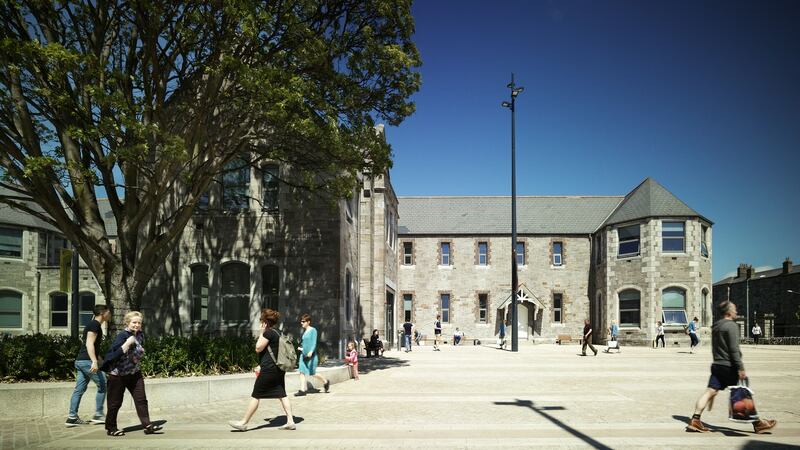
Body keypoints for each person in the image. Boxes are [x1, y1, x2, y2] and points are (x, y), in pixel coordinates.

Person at [687, 301, 777, 434]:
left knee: (710, 391)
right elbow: (734, 349)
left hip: (717, 365)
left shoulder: (716, 326)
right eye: (734, 309)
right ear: (728, 312)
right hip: (729, 366)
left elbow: (715, 347)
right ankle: (758, 424)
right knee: (743, 394)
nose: (736, 312)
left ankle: (695, 419)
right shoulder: (731, 326)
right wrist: (740, 367)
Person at [229, 309, 295, 431]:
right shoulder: (278, 332)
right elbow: (271, 352)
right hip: (278, 369)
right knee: (282, 394)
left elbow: (258, 348)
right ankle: (290, 421)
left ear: (265, 322)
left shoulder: (268, 333)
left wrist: (261, 332)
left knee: (256, 395)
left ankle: (243, 422)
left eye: (261, 321)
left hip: (269, 371)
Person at [101, 311, 162, 437]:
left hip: (134, 373)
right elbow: (113, 354)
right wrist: (127, 343)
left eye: (139, 323)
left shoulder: (140, 335)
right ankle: (111, 427)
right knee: (115, 403)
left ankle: (147, 425)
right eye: (134, 322)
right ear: (127, 323)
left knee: (141, 400)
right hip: (118, 375)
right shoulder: (122, 336)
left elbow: (136, 353)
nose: (137, 325)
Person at [66, 304, 111, 427]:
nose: (110, 314)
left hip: (82, 361)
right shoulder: (94, 325)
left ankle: (72, 417)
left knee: (79, 390)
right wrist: (94, 362)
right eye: (109, 312)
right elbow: (89, 344)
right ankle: (98, 414)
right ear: (103, 313)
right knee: (103, 384)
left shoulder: (94, 325)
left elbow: (94, 348)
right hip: (87, 361)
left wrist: (102, 362)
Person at [295, 314, 329, 396]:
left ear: (308, 322)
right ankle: (302, 390)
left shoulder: (313, 330)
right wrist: (301, 348)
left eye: (303, 321)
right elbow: (304, 343)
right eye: (301, 321)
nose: (301, 323)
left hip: (311, 356)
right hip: (303, 356)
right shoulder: (305, 332)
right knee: (301, 372)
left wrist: (311, 351)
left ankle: (325, 381)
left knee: (312, 373)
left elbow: (314, 342)